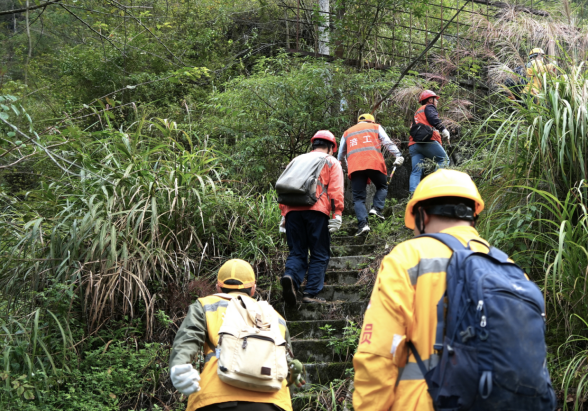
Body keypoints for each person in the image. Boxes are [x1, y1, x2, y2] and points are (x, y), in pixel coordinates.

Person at [352, 169, 555, 410]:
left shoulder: (407, 257)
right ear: (472, 216)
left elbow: (378, 355)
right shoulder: (510, 267)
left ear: (421, 215)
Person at [169, 259, 303, 411]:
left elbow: (187, 339)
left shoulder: (205, 305)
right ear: (253, 289)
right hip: (273, 402)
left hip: (215, 398)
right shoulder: (275, 316)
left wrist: (179, 364)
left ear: (218, 288)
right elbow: (290, 365)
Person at [279, 130, 344, 304]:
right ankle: (310, 293)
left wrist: (284, 214)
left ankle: (291, 278)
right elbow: (336, 190)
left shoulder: (295, 161)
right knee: (319, 252)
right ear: (331, 147)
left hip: (292, 211)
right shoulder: (331, 161)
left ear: (313, 145)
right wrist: (337, 213)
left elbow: (285, 187)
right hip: (317, 210)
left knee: (297, 251)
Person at [338, 114, 404, 236]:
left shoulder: (347, 133)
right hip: (374, 163)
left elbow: (340, 156)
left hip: (355, 167)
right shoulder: (375, 127)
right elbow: (387, 142)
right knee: (382, 186)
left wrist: (347, 168)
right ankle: (376, 209)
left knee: (358, 199)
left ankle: (363, 225)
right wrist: (398, 155)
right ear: (371, 121)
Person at [408, 90, 450, 194]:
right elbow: (433, 119)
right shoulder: (429, 107)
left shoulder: (417, 113)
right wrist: (443, 129)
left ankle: (413, 194)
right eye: (436, 99)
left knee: (416, 170)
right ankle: (434, 187)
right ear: (430, 100)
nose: (437, 102)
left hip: (414, 145)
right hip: (427, 142)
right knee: (444, 160)